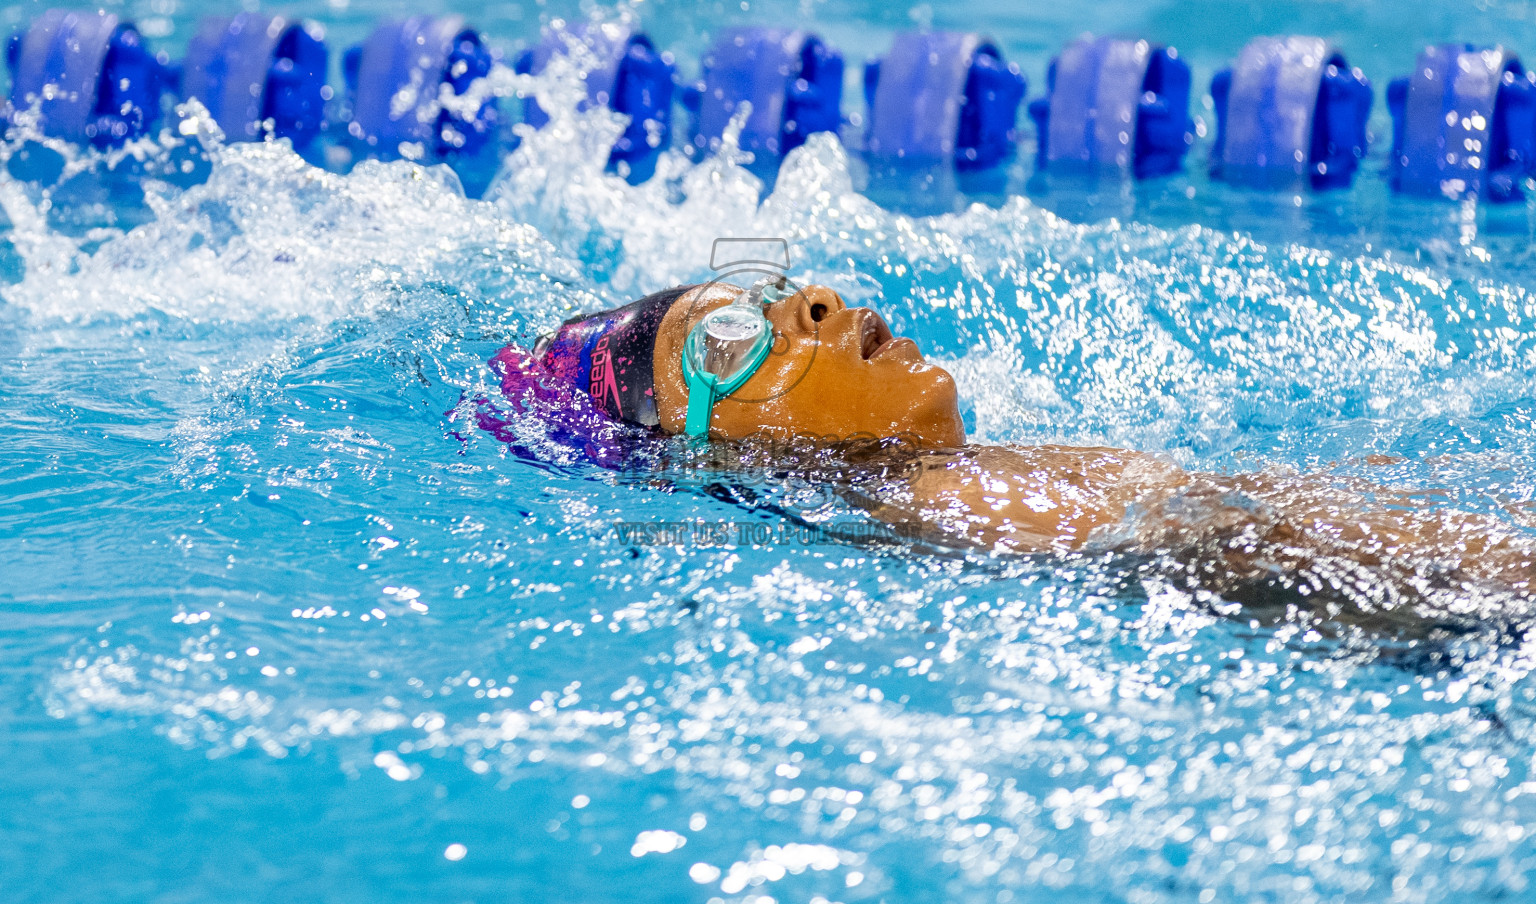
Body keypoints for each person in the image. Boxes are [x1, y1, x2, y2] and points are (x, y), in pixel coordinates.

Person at [487, 280, 1535, 627]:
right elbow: (1232, 551)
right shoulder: (923, 500)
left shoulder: (962, 471)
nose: (815, 302)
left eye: (778, 290)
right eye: (730, 343)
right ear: (705, 454)